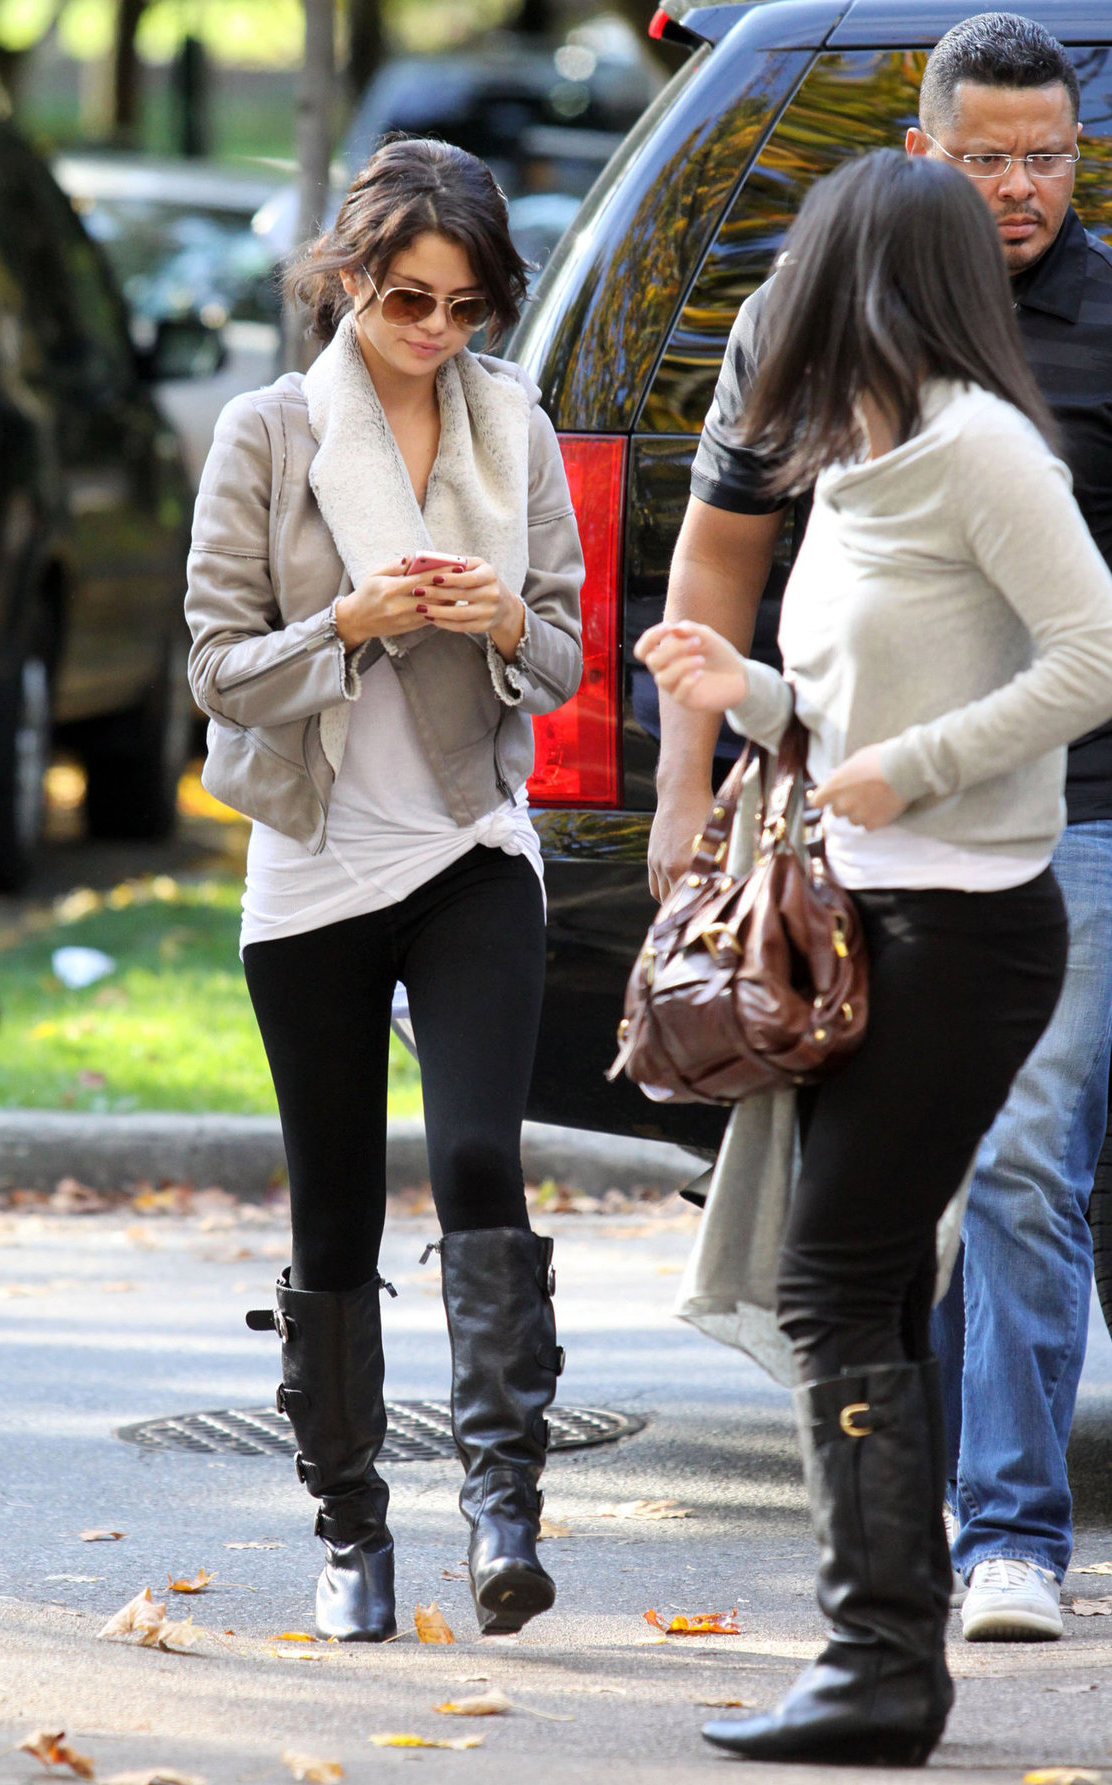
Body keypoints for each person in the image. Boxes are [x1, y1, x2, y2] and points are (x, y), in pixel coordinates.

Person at [636, 148, 1112, 1764]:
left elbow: (1093, 653)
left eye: (814, 273)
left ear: (871, 284)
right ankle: (880, 1653)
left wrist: (913, 770)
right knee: (859, 1281)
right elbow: (853, 704)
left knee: (833, 1275)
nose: (788, 305)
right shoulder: (857, 458)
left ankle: (876, 1661)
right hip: (871, 911)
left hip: (968, 929)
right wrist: (743, 690)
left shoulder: (985, 452)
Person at [184, 137, 583, 1643]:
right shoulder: (268, 435)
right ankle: (351, 1528)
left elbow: (561, 652)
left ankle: (504, 1505)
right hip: (314, 860)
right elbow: (216, 667)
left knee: (481, 1155)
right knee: (333, 1205)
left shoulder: (513, 426)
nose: (436, 332)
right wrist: (346, 623)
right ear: (351, 276)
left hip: (472, 843)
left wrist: (493, 619)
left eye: (466, 305)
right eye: (410, 299)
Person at [906, 16, 1112, 1644]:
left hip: (1089, 807)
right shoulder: (871, 321)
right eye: (986, 156)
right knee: (1003, 1160)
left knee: (1027, 1160)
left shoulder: (1111, 321)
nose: (1020, 186)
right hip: (917, 814)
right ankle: (996, 1530)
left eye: (1046, 154)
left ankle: (1000, 1525)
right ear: (926, 153)